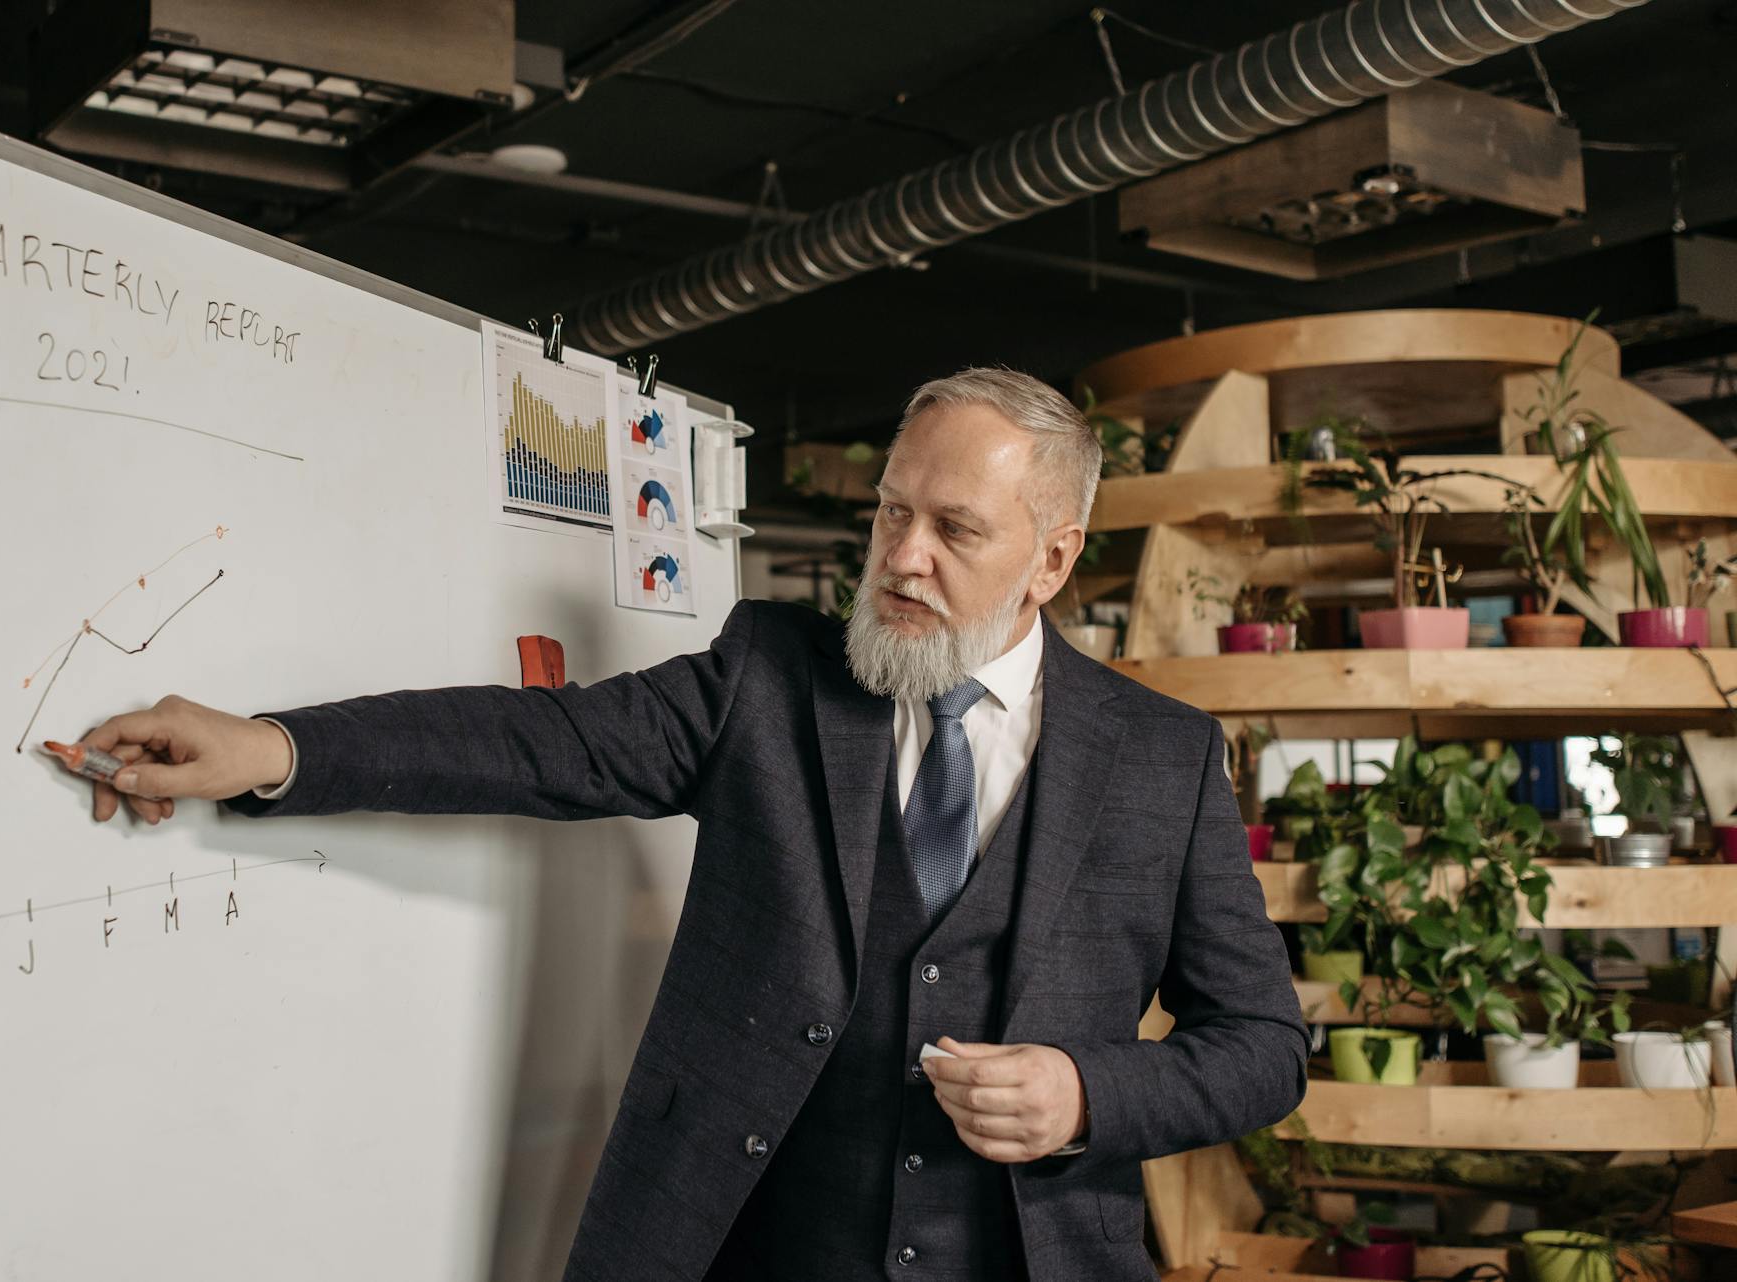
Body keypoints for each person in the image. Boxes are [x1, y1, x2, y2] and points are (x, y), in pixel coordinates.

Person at [81, 367, 1308, 1282]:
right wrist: (275, 750)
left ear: (1052, 559)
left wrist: (1089, 1095)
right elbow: (540, 744)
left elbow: (1262, 1045)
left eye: (955, 531)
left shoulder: (1163, 756)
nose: (903, 559)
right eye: (893, 513)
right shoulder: (768, 677)